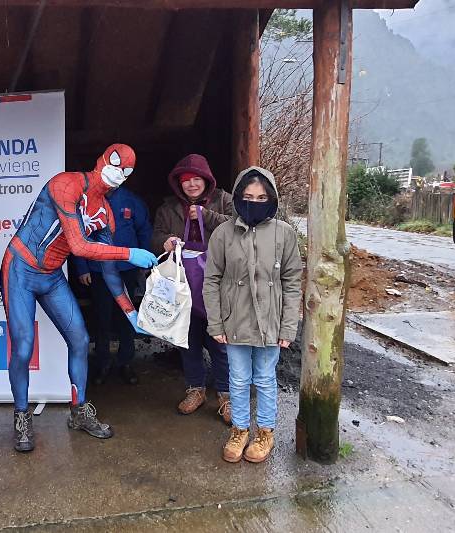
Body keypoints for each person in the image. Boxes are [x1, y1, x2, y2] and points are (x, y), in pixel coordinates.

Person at [2, 143, 157, 452]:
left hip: (51, 274)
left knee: (80, 339)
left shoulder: (106, 213)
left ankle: (80, 411)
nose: (120, 174)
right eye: (117, 165)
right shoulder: (66, 184)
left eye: (127, 171)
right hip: (20, 267)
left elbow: (110, 272)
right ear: (102, 160)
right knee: (23, 346)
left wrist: (130, 313)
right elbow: (79, 246)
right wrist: (131, 252)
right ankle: (21, 415)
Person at [203, 166, 303, 464]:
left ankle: (265, 433)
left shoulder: (284, 234)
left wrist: (288, 327)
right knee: (238, 378)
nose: (254, 202)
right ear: (237, 197)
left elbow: (292, 281)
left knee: (264, 377)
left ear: (271, 198)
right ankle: (240, 429)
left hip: (270, 322)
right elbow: (211, 280)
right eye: (248, 197)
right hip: (234, 320)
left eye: (261, 197)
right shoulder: (223, 233)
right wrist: (216, 322)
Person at [152, 154, 234, 423]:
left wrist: (205, 215)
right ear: (178, 184)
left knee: (220, 343)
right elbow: (155, 236)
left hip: (218, 286)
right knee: (188, 342)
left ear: (206, 180)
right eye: (185, 181)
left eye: (196, 179)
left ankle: (226, 395)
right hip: (183, 288)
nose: (191, 185)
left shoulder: (225, 200)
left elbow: (241, 227)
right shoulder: (168, 209)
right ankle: (195, 390)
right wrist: (165, 242)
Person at [74, 184, 152, 386]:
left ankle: (125, 362)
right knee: (102, 317)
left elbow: (144, 231)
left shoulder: (131, 200)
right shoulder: (87, 200)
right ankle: (102, 363)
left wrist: (145, 262)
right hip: (99, 271)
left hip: (127, 269)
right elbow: (78, 234)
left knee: (127, 317)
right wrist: (82, 267)